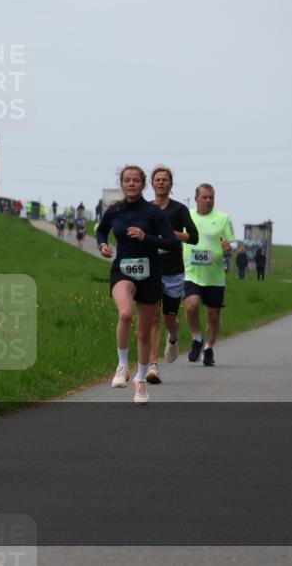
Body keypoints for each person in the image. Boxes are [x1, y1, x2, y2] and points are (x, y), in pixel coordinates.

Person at [96, 166, 178, 404]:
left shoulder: (153, 212)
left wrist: (145, 238)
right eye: (126, 180)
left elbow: (171, 243)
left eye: (135, 181)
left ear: (143, 184)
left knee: (143, 333)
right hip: (122, 270)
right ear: (121, 184)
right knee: (125, 314)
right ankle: (122, 365)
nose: (131, 184)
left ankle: (141, 381)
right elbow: (101, 231)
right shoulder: (114, 211)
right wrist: (103, 245)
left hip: (150, 275)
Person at [147, 166, 198, 384]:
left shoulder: (179, 210)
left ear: (171, 184)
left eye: (165, 180)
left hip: (174, 271)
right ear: (152, 184)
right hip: (151, 269)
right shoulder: (146, 208)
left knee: (169, 318)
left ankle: (174, 337)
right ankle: (152, 365)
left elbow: (193, 237)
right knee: (153, 317)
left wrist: (173, 235)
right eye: (157, 180)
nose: (161, 183)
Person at [183, 183, 235, 367]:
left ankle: (209, 347)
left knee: (213, 315)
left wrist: (230, 247)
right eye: (205, 197)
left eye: (211, 197)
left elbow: (232, 242)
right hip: (192, 273)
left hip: (214, 275)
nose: (208, 200)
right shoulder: (187, 215)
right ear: (196, 198)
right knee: (191, 306)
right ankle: (196, 339)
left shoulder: (223, 218)